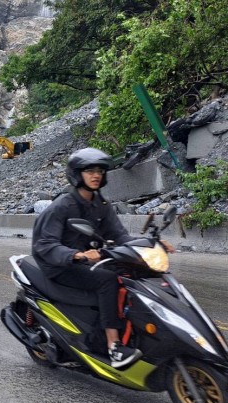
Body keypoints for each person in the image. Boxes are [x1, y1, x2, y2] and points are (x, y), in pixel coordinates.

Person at [31, 147, 173, 368]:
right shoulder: (62, 206)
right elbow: (45, 244)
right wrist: (75, 254)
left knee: (132, 273)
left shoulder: (101, 204)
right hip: (61, 266)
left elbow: (119, 235)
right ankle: (114, 346)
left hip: (90, 260)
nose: (96, 175)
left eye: (99, 170)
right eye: (89, 170)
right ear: (77, 174)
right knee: (108, 281)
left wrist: (150, 245)